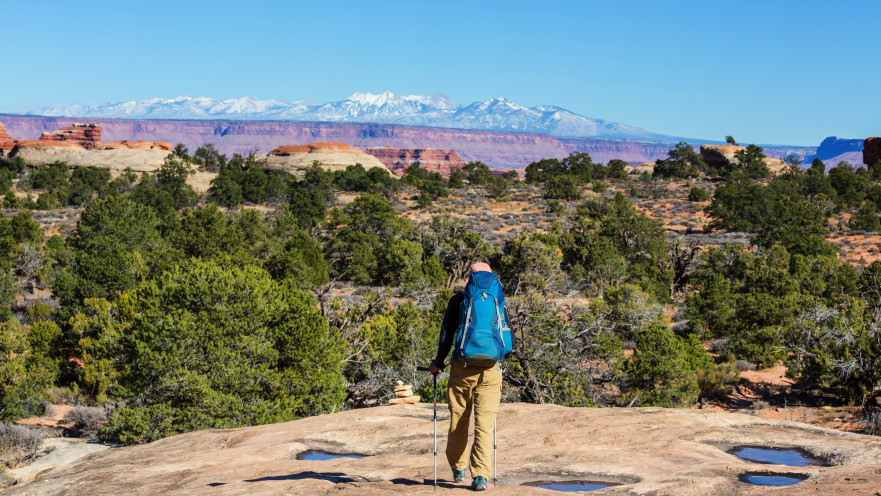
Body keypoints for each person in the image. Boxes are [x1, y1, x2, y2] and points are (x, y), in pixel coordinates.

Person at [428, 262, 514, 492]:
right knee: (485, 425)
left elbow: (446, 334)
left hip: (462, 368)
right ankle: (481, 477)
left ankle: (458, 468)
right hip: (491, 370)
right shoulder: (498, 298)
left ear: (469, 278)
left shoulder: (459, 300)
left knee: (459, 418)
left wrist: (438, 363)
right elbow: (508, 337)